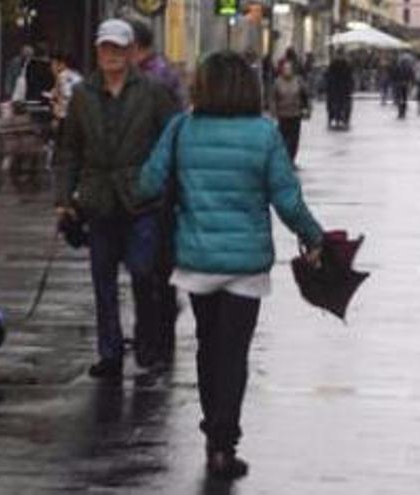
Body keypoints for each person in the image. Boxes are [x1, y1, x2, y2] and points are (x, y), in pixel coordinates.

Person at [138, 51, 323, 480]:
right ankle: (225, 442)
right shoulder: (264, 133)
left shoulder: (182, 128)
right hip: (246, 263)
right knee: (234, 351)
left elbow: (147, 183)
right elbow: (287, 200)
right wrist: (314, 237)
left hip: (197, 257)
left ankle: (213, 435)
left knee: (207, 343)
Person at [56, 19, 177, 379]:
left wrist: (165, 185)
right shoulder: (83, 94)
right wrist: (64, 198)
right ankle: (109, 352)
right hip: (99, 200)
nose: (111, 55)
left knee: (143, 271)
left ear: (129, 52)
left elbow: (171, 139)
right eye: (105, 48)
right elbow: (69, 150)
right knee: (102, 280)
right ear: (97, 51)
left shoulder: (152, 92)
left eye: (118, 48)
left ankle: (146, 338)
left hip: (141, 198)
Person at [130, 19, 187, 366]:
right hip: (161, 184)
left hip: (155, 185)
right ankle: (156, 329)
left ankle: (153, 334)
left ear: (136, 46)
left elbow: (162, 134)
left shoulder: (153, 80)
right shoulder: (165, 72)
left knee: (149, 265)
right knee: (155, 264)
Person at [271, 60, 310, 163]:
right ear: (282, 70)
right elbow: (273, 98)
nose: (287, 71)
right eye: (285, 69)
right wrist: (273, 111)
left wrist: (307, 109)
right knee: (283, 139)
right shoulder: (277, 82)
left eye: (289, 68)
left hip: (295, 114)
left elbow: (305, 95)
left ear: (293, 70)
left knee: (294, 140)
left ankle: (291, 159)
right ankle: (284, 159)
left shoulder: (298, 81)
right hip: (283, 115)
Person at [48, 51, 83, 128]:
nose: (51, 68)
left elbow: (67, 97)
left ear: (61, 65)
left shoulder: (63, 76)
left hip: (67, 118)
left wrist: (56, 118)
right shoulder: (77, 75)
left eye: (53, 64)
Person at [326, 51, 353, 129]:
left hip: (338, 89)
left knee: (337, 104)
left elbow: (329, 76)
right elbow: (349, 77)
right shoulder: (345, 64)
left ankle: (337, 119)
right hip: (340, 89)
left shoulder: (335, 64)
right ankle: (340, 119)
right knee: (339, 104)